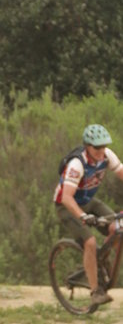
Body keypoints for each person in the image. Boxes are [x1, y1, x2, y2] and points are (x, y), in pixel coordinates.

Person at [53, 124, 123, 306]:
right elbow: (67, 197)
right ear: (87, 146)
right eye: (97, 147)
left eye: (104, 146)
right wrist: (83, 217)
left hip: (88, 201)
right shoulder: (77, 164)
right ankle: (95, 291)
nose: (101, 150)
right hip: (66, 205)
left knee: (117, 227)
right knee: (90, 242)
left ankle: (100, 260)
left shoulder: (107, 155)